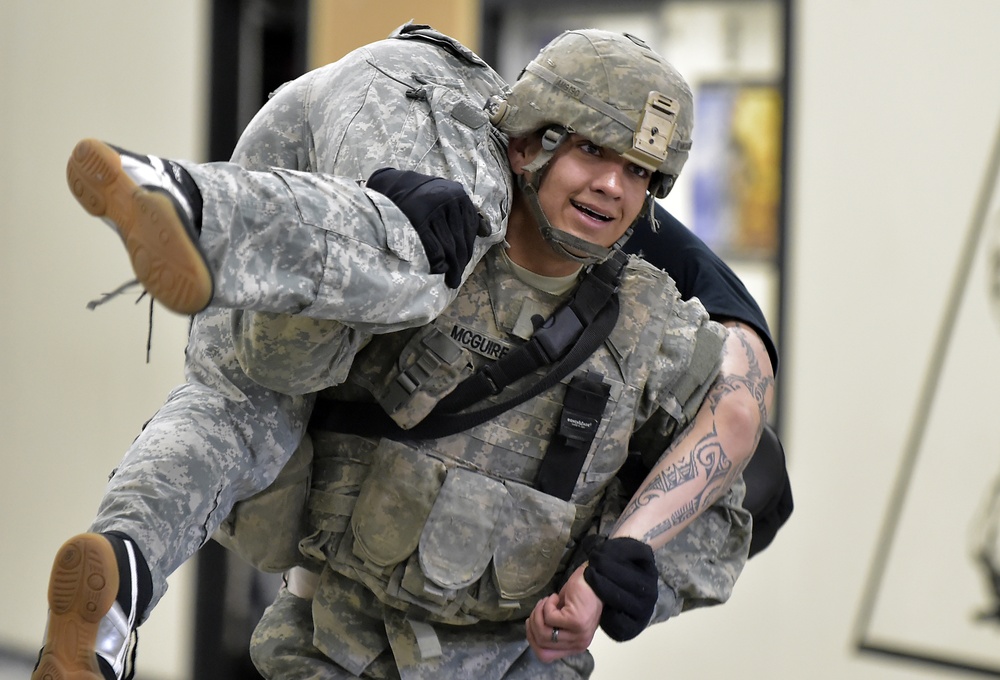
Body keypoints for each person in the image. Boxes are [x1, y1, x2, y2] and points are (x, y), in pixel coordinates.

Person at [33, 24, 774, 680]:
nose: (612, 186)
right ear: (527, 144)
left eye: (640, 173)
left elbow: (731, 488)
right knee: (244, 395)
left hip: (512, 661)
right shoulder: (436, 232)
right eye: (591, 151)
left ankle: (194, 209)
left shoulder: (656, 328)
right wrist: (385, 220)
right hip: (328, 651)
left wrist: (629, 574)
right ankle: (188, 211)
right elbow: (256, 379)